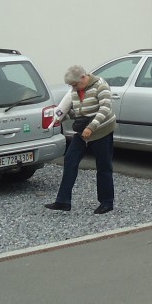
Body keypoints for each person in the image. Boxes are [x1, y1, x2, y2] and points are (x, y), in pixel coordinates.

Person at [45, 65, 117, 214]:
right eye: (71, 85)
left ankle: (106, 202)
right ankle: (63, 201)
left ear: (84, 77)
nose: (73, 88)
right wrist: (62, 116)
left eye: (75, 84)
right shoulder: (75, 90)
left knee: (103, 166)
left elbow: (105, 109)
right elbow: (78, 112)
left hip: (101, 130)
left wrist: (91, 127)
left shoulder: (101, 86)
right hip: (82, 132)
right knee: (70, 160)